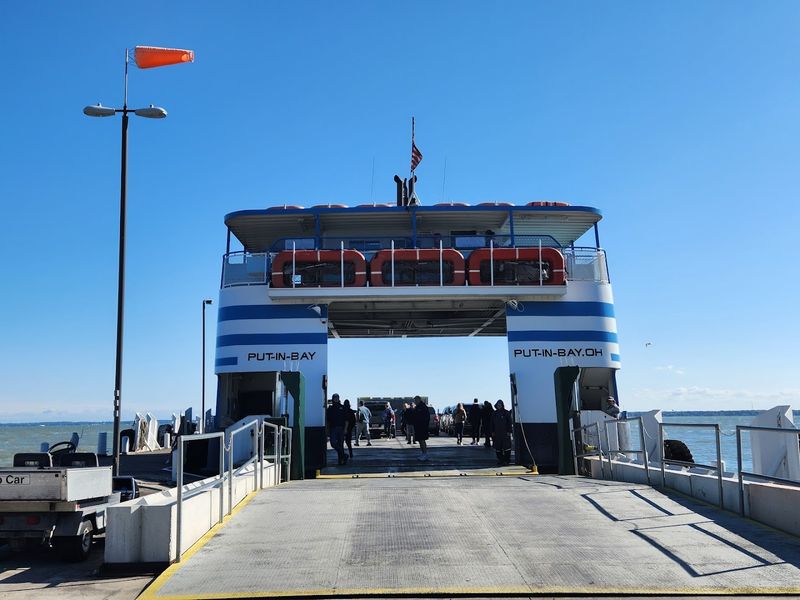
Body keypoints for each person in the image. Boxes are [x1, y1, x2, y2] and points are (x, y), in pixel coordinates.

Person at [326, 394, 347, 465]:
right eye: (334, 398)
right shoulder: (330, 408)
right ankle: (344, 455)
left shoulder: (342, 407)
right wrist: (327, 430)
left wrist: (345, 429)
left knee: (340, 444)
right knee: (333, 443)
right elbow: (327, 420)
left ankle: (341, 461)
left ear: (339, 398)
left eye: (337, 398)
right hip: (333, 428)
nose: (336, 399)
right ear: (332, 399)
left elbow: (346, 420)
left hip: (341, 428)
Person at [492, 400, 513, 465]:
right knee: (498, 447)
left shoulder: (506, 413)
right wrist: (492, 431)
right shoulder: (494, 413)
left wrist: (509, 431)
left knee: (507, 447)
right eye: (498, 405)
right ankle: (500, 460)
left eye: (500, 404)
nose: (499, 406)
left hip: (505, 433)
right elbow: (492, 423)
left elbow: (509, 423)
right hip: (497, 433)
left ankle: (507, 460)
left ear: (502, 405)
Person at [412, 396, 430, 460]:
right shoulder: (418, 407)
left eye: (416, 400)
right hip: (418, 426)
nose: (415, 402)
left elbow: (426, 417)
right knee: (420, 440)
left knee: (422, 440)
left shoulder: (423, 407)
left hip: (422, 426)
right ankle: (423, 454)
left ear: (419, 400)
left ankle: (425, 454)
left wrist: (424, 424)